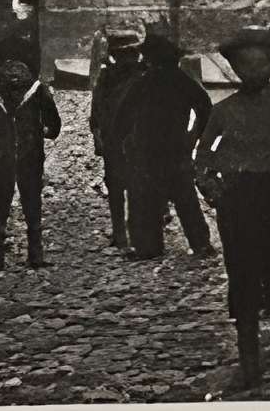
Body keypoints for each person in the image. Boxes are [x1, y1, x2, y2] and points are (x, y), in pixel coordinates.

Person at [194, 26, 270, 393]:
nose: (253, 72)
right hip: (235, 206)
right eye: (245, 65)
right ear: (234, 68)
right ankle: (249, 367)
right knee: (243, 284)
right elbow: (204, 158)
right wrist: (216, 194)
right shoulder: (222, 113)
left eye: (261, 65)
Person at [113, 28, 214, 260]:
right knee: (183, 199)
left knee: (147, 200)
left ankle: (149, 247)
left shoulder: (145, 83)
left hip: (151, 150)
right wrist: (194, 136)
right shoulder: (181, 82)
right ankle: (199, 244)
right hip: (172, 148)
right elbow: (205, 109)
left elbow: (122, 118)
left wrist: (122, 144)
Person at [0, 31, 63, 270]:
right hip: (30, 153)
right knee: (32, 199)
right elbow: (54, 125)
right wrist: (41, 132)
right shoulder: (36, 88)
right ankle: (35, 253)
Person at [91, 29, 147, 250]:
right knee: (115, 187)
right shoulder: (107, 78)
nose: (127, 58)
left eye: (130, 54)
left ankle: (136, 233)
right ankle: (119, 233)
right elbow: (97, 108)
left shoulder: (143, 77)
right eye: (122, 54)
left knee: (137, 186)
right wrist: (97, 133)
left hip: (138, 139)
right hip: (113, 138)